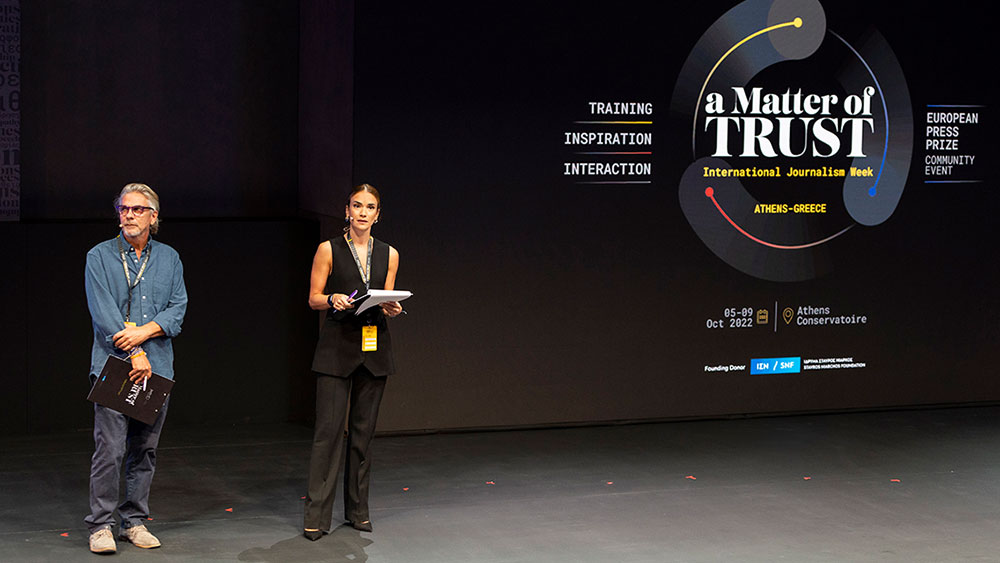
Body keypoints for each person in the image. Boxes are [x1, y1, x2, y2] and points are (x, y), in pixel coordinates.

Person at [83, 183, 188, 554]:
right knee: (109, 449)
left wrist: (143, 333)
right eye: (124, 209)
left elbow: (177, 309)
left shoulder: (169, 258)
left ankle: (135, 521)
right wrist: (135, 350)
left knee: (144, 449)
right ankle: (100, 525)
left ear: (153, 216)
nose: (128, 215)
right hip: (114, 366)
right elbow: (104, 313)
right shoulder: (99, 256)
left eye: (137, 210)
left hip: (157, 368)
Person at [303, 183, 403, 540]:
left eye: (369, 207)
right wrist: (332, 298)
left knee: (363, 435)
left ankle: (358, 511)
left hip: (374, 352)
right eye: (356, 206)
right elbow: (313, 298)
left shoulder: (389, 253)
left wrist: (392, 306)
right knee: (328, 435)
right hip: (336, 349)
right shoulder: (328, 249)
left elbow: (385, 298)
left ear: (378, 214)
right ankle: (316, 517)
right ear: (347, 211)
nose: (362, 212)